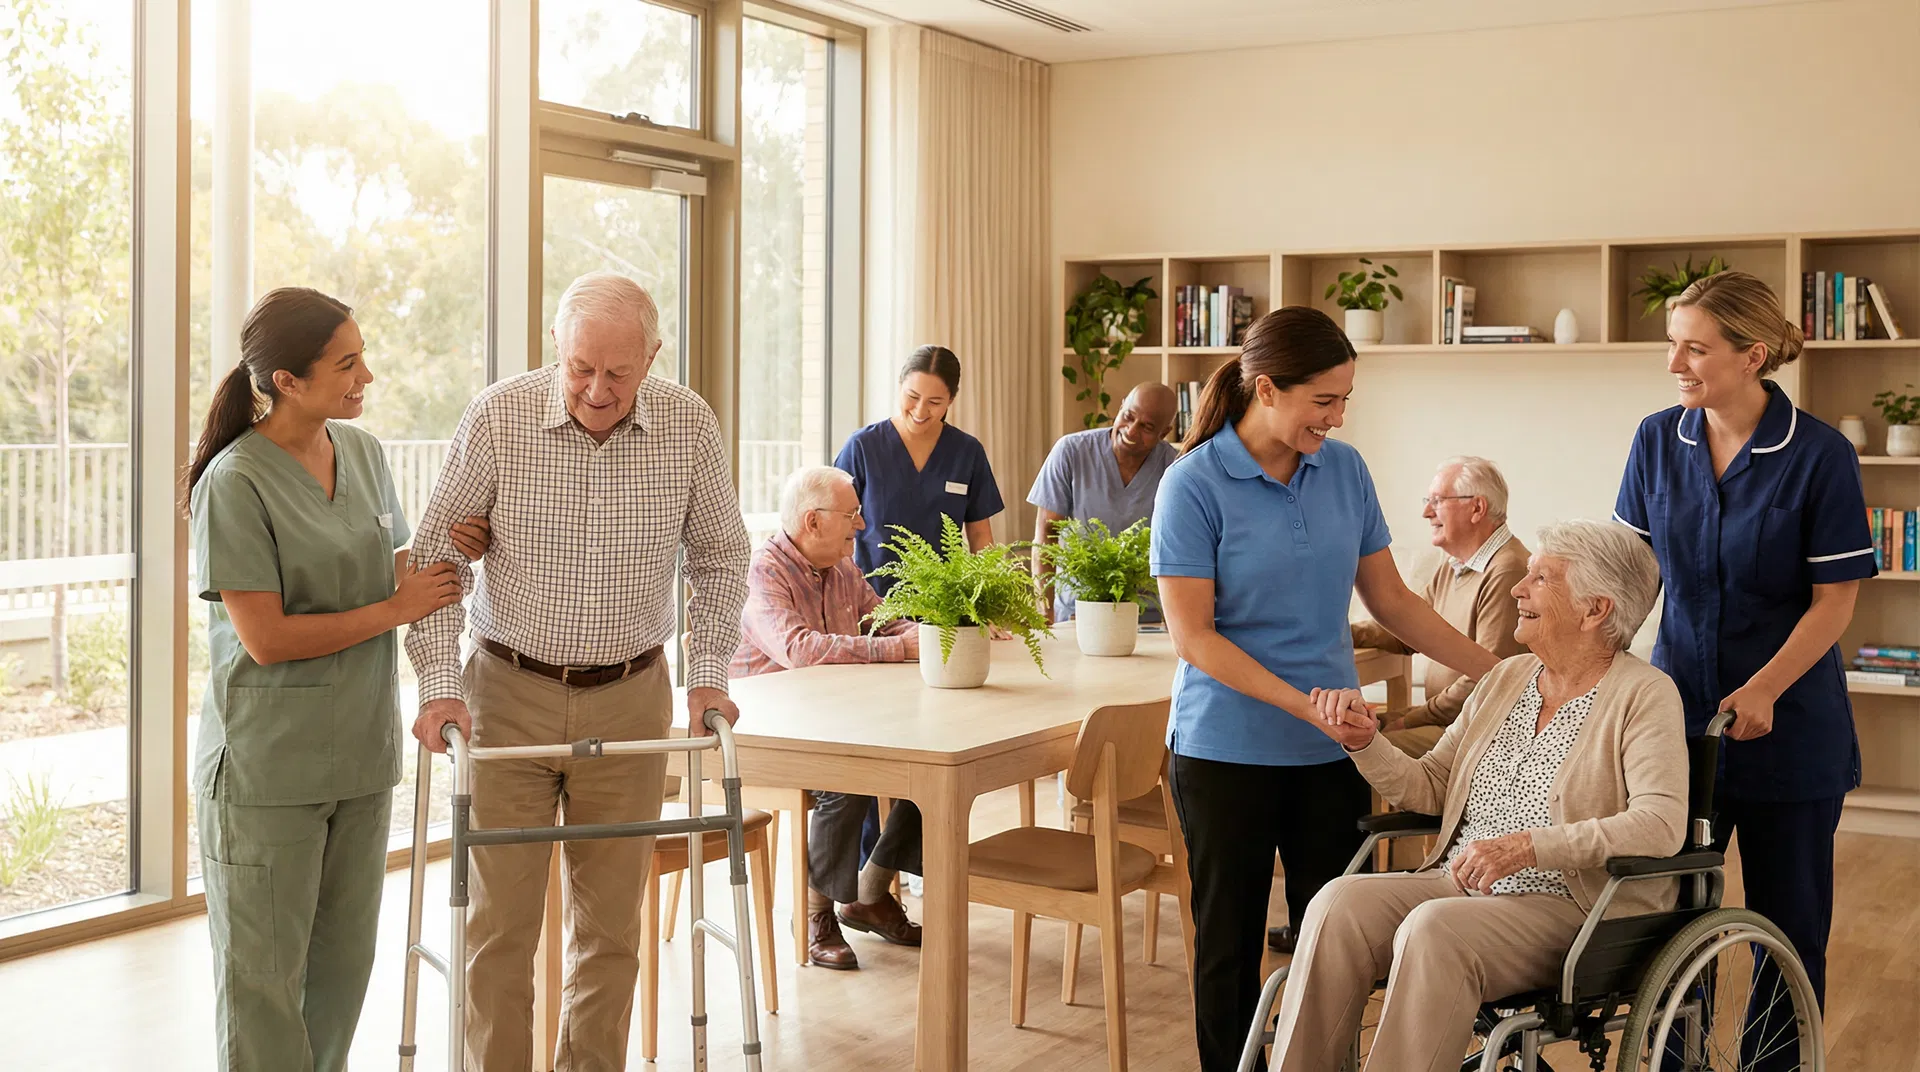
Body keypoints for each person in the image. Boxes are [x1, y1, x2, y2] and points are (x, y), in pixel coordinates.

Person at [404, 272, 750, 1071]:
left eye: (619, 373)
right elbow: (435, 554)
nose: (596, 389)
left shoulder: (689, 425)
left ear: (652, 357)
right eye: (580, 367)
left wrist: (708, 672)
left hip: (631, 694)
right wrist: (438, 685)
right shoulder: (499, 415)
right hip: (507, 691)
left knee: (611, 929)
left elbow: (724, 557)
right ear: (556, 351)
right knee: (499, 926)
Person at [1149, 306, 1501, 1071]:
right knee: (1229, 946)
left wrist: (1498, 670)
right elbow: (1194, 637)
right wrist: (1306, 703)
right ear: (1267, 389)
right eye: (1324, 402)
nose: (1337, 419)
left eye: (1345, 402)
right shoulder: (1193, 485)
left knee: (1339, 941)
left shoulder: (1343, 470)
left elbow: (1395, 601)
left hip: (1334, 753)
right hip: (1225, 753)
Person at [1272, 520, 1686, 1071]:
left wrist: (1529, 847)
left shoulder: (1644, 694)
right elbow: (1430, 785)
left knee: (1434, 928)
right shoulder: (1507, 678)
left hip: (1573, 907)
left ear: (1595, 610)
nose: (1518, 587)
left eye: (1541, 578)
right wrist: (1366, 743)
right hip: (1459, 884)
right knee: (1334, 904)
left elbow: (1660, 823)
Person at [187, 287, 467, 1072]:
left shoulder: (366, 456)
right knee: (264, 988)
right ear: (287, 381)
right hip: (268, 769)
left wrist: (460, 550)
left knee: (342, 974)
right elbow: (266, 638)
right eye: (347, 363)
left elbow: (393, 570)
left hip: (361, 759)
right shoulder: (235, 481)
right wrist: (395, 606)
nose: (366, 376)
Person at [1612, 270, 1872, 1045]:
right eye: (1671, 345)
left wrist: (1761, 689)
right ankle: (1673, 1063)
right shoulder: (1658, 438)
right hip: (1674, 726)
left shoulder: (1820, 455)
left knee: (1784, 931)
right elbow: (1633, 572)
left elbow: (1836, 602)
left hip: (1789, 728)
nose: (1674, 364)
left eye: (1695, 348)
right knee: (1666, 924)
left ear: (1753, 354)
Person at [731, 466, 924, 969]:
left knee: (933, 761)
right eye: (851, 515)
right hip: (764, 732)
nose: (860, 526)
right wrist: (896, 649)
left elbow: (883, 620)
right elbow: (798, 648)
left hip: (832, 719)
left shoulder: (843, 569)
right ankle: (817, 914)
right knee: (848, 774)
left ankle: (870, 889)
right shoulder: (761, 570)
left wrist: (941, 634)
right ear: (813, 521)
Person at [1350, 456, 1531, 758]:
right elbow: (1407, 630)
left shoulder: (1507, 570)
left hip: (1478, 729)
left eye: (1437, 501)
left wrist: (1409, 718)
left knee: (1361, 752)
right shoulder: (1456, 565)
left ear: (1477, 508)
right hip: (1450, 720)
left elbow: (1489, 680)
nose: (1426, 512)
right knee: (1351, 734)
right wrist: (1343, 633)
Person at [835, 345, 1003, 592]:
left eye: (935, 402)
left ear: (951, 401)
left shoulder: (967, 452)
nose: (920, 411)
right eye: (912, 396)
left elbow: (980, 535)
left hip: (943, 606)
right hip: (872, 604)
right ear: (900, 384)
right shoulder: (863, 447)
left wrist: (988, 601)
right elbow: (836, 525)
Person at [1028, 382, 1179, 621]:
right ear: (1120, 408)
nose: (1131, 431)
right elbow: (1046, 539)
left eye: (1147, 427)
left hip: (1147, 618)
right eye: (1128, 416)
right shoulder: (1071, 452)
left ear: (1164, 433)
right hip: (1076, 613)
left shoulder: (1174, 469)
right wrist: (1044, 612)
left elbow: (1182, 552)